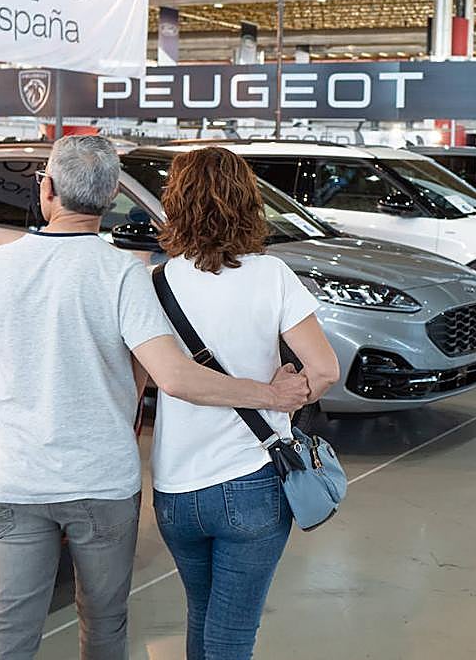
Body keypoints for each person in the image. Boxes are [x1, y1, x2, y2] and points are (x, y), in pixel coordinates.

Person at [0, 136, 310, 660]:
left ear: (48, 190)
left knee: (10, 631)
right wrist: (272, 393)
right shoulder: (124, 273)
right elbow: (170, 376)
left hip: (17, 481)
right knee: (104, 626)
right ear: (108, 200)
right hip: (102, 482)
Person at [150, 147, 341, 660]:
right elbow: (324, 370)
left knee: (201, 615)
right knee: (232, 636)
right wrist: (283, 399)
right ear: (247, 201)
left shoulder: (156, 283)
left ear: (176, 202)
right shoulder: (272, 274)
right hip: (253, 480)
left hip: (174, 488)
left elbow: (153, 380)